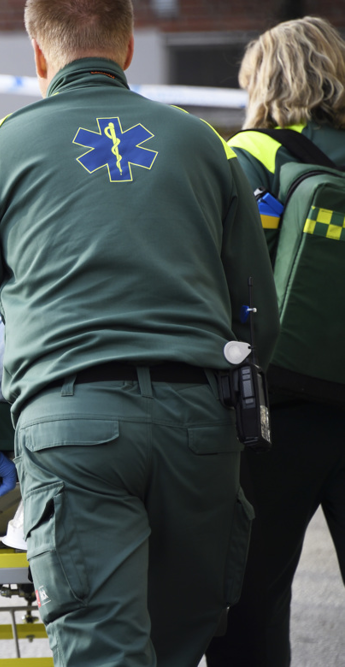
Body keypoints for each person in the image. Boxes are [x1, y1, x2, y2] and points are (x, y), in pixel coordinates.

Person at [0, 0, 279, 664]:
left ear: (37, 54)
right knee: (177, 643)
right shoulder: (205, 143)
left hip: (73, 426)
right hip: (201, 427)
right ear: (128, 49)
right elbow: (258, 310)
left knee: (103, 650)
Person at [205, 17, 345, 667]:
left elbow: (218, 276)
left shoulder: (248, 157)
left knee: (250, 603)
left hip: (273, 412)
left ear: (261, 82)